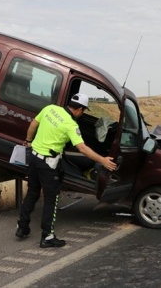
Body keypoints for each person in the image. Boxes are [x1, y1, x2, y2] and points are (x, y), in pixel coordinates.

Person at [16, 93, 117, 248]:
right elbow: (82, 148)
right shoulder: (71, 125)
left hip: (34, 159)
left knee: (32, 193)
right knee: (51, 199)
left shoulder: (50, 109)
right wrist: (102, 160)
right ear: (80, 110)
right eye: (83, 111)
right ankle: (47, 236)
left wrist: (29, 141)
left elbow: (33, 125)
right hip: (48, 164)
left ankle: (22, 227)